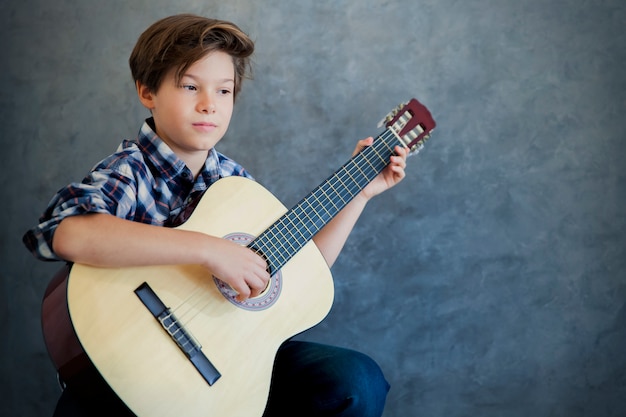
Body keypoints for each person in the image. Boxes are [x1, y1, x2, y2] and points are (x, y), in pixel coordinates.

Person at [23, 14, 408, 417]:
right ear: (147, 91)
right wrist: (208, 250)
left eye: (224, 91)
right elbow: (68, 234)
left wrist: (359, 195)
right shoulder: (130, 171)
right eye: (190, 86)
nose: (209, 104)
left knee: (355, 379)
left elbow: (296, 274)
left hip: (222, 359)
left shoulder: (233, 180)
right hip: (129, 366)